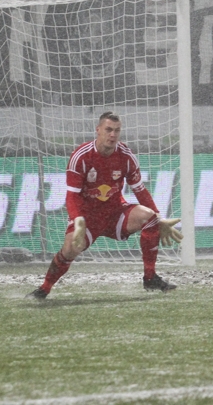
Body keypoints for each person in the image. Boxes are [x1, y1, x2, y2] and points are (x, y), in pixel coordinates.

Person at [26, 111, 183, 299]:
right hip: (87, 218)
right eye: (108, 130)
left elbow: (140, 190)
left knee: (149, 216)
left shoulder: (125, 156)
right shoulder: (81, 156)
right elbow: (72, 197)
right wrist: (77, 221)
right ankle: (44, 289)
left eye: (117, 130)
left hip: (115, 213)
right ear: (98, 130)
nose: (113, 135)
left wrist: (158, 217)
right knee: (69, 250)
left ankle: (150, 277)